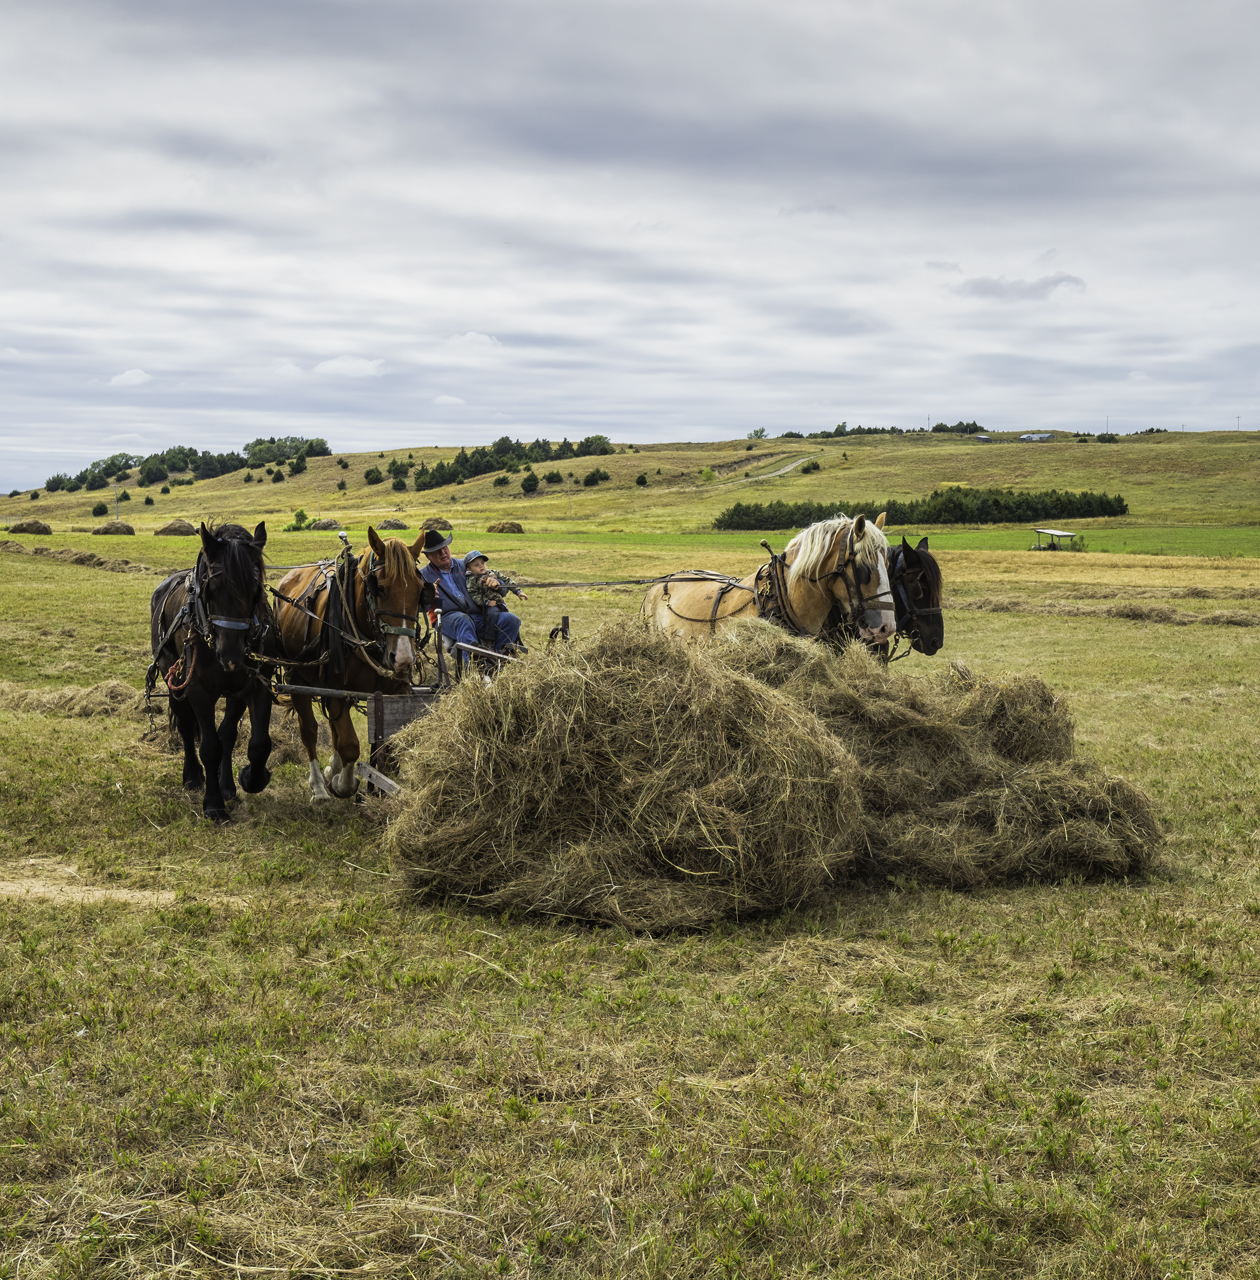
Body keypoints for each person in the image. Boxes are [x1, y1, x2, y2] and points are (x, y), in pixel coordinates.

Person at [419, 529, 522, 659]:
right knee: (463, 621)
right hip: (448, 619)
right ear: (428, 556)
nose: (443, 552)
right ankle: (472, 669)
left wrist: (496, 584)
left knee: (511, 620)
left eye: (444, 547)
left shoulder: (467, 565)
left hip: (479, 615)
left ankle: (496, 661)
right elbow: (420, 608)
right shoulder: (423, 576)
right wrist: (428, 595)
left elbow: (504, 590)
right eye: (436, 550)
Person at [463, 550, 529, 611]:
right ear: (469, 569)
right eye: (476, 565)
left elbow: (507, 580)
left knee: (507, 617)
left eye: (482, 563)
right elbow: (474, 594)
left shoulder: (493, 573)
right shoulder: (471, 580)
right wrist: (487, 602)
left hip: (500, 603)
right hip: (486, 607)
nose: (481, 566)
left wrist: (518, 592)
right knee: (493, 614)